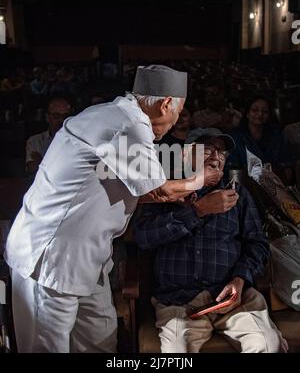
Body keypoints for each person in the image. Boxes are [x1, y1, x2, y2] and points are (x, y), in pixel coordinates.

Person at [4, 65, 221, 353]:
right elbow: (156, 189)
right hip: (50, 257)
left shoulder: (108, 114)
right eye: (179, 113)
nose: (176, 121)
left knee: (100, 340)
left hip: (87, 259)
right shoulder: (127, 126)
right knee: (48, 347)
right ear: (166, 104)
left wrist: (174, 195)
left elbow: (130, 188)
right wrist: (199, 180)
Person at [134, 127, 287, 353]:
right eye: (208, 150)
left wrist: (240, 279)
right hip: (179, 301)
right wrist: (198, 211)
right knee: (177, 352)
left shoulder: (238, 194)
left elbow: (258, 244)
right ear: (186, 155)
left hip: (233, 299)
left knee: (267, 345)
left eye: (222, 152)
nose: (216, 157)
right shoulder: (165, 190)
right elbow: (143, 237)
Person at [227, 96, 292, 183]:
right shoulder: (235, 137)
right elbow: (233, 171)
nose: (260, 114)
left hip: (275, 185)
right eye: (255, 110)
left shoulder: (277, 136)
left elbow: (286, 166)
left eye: (264, 111)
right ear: (247, 113)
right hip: (245, 187)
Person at [25, 98, 72, 175]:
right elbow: (32, 168)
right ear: (47, 117)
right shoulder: (35, 141)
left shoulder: (77, 141)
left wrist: (42, 161)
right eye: (56, 115)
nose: (61, 120)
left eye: (65, 116)